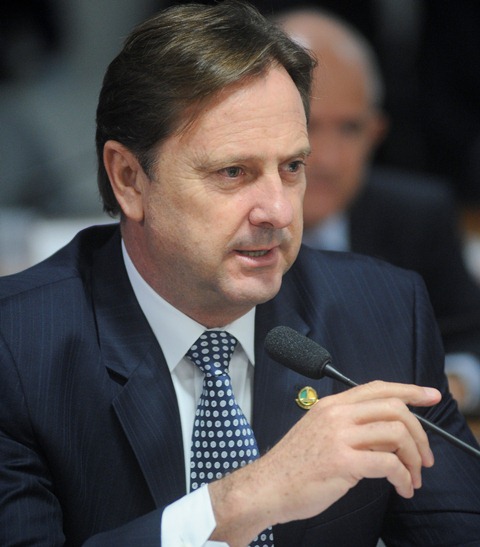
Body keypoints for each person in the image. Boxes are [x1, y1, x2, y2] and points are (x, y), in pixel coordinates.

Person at [1, 1, 480, 545]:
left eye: (291, 167)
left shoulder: (383, 314)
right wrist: (246, 499)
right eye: (233, 172)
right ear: (129, 178)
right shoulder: (17, 349)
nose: (278, 211)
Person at [277, 7, 480, 416]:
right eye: (308, 124)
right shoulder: (220, 226)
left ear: (376, 132)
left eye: (349, 128)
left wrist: (440, 390)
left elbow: (470, 341)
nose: (328, 159)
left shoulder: (416, 217)